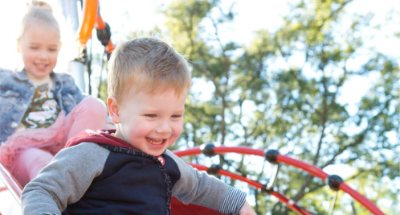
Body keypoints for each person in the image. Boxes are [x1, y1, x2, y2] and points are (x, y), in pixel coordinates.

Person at [21, 38, 256, 215]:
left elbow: (201, 186)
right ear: (116, 110)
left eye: (176, 115)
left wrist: (240, 205)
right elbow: (41, 190)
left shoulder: (168, 163)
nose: (165, 128)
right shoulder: (93, 154)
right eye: (152, 115)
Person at [0, 6, 107, 187]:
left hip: (62, 148)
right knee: (40, 161)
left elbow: (84, 117)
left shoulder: (64, 83)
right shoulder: (7, 80)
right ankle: (54, 193)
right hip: (24, 150)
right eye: (34, 47)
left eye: (51, 49)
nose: (43, 56)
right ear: (19, 45)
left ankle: (69, 172)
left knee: (94, 105)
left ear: (59, 48)